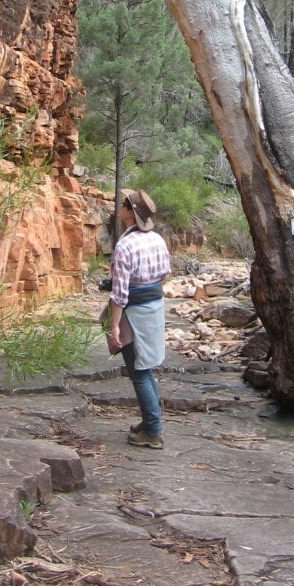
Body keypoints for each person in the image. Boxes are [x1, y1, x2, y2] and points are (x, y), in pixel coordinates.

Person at [106, 189, 171, 449]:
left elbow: (120, 294)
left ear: (130, 213)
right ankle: (150, 422)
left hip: (134, 312)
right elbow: (164, 274)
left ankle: (153, 431)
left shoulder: (125, 246)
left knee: (139, 372)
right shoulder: (157, 239)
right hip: (154, 308)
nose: (120, 207)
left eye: (123, 204)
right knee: (147, 367)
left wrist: (113, 327)